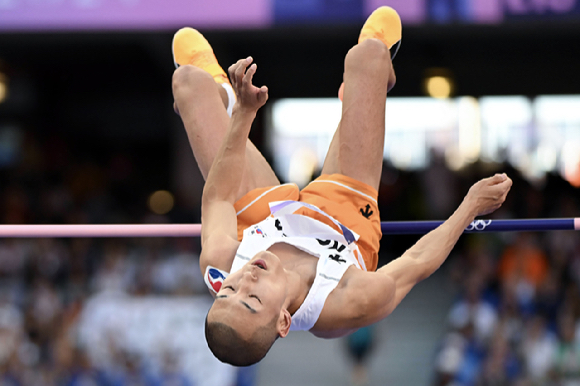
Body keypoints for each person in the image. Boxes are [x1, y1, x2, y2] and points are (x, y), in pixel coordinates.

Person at [170, 6, 513, 367]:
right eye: (252, 299)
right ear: (284, 321)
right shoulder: (348, 302)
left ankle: (220, 90)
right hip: (343, 216)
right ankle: (364, 87)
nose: (246, 279)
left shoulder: (220, 262)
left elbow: (220, 196)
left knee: (188, 83)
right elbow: (417, 263)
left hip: (261, 212)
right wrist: (470, 206)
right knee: (368, 56)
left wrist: (243, 114)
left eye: (228, 291)